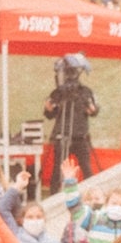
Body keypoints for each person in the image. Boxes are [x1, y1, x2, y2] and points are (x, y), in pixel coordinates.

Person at [45, 54, 100, 191]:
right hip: (62, 136)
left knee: (86, 169)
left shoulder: (85, 92)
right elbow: (49, 114)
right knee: (58, 171)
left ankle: (91, 195)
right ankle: (54, 196)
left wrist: (93, 110)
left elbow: (94, 110)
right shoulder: (58, 93)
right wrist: (49, 108)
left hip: (81, 137)